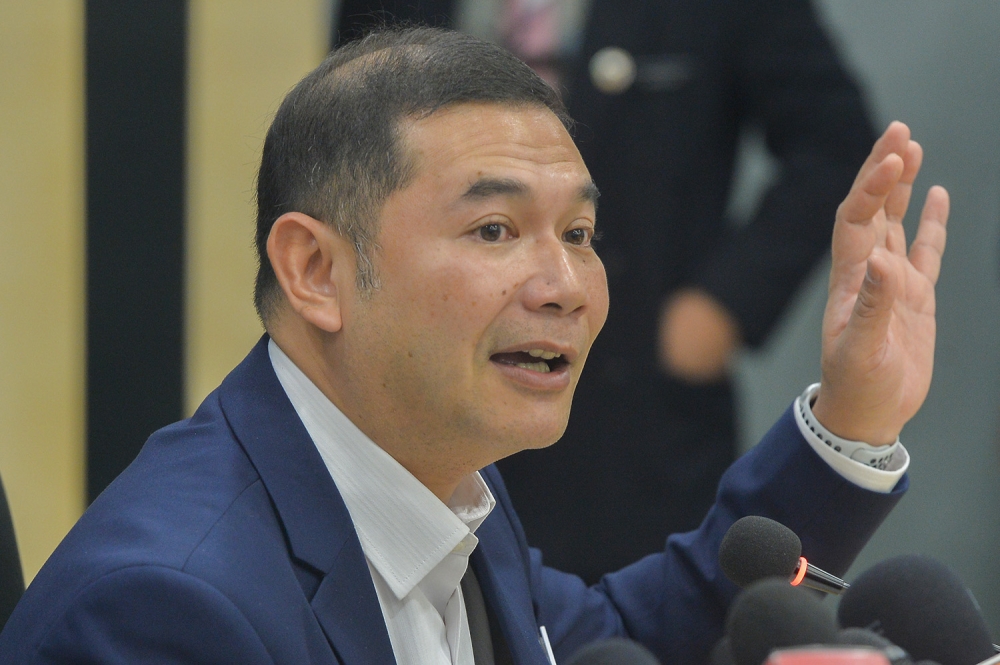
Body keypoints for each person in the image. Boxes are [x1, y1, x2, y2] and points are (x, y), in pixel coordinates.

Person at [0, 28, 947, 664]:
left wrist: (854, 413)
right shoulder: (161, 610)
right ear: (315, 270)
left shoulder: (442, 478)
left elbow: (619, 643)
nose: (565, 287)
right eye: (494, 230)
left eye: (578, 236)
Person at [335, 0, 879, 582]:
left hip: (636, 415)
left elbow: (835, 144)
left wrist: (721, 306)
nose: (554, 279)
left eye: (575, 232)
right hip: (430, 405)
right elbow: (342, 151)